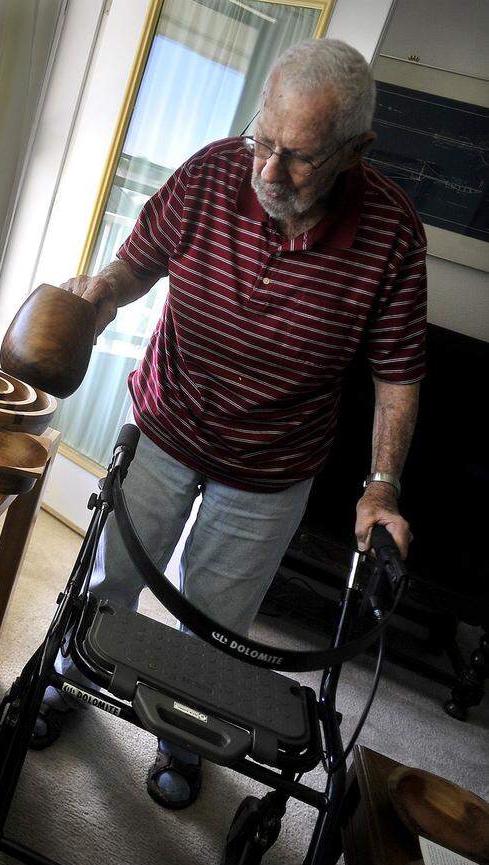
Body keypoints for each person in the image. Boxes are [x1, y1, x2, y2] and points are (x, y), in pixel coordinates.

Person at [36, 38, 426, 811]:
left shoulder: (392, 235)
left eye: (300, 157)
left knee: (215, 625)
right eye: (264, 142)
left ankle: (184, 739)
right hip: (166, 421)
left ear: (358, 150)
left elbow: (398, 375)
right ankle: (72, 681)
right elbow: (137, 263)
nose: (270, 172)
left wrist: (381, 488)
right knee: (112, 576)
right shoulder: (212, 172)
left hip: (274, 467)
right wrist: (100, 293)